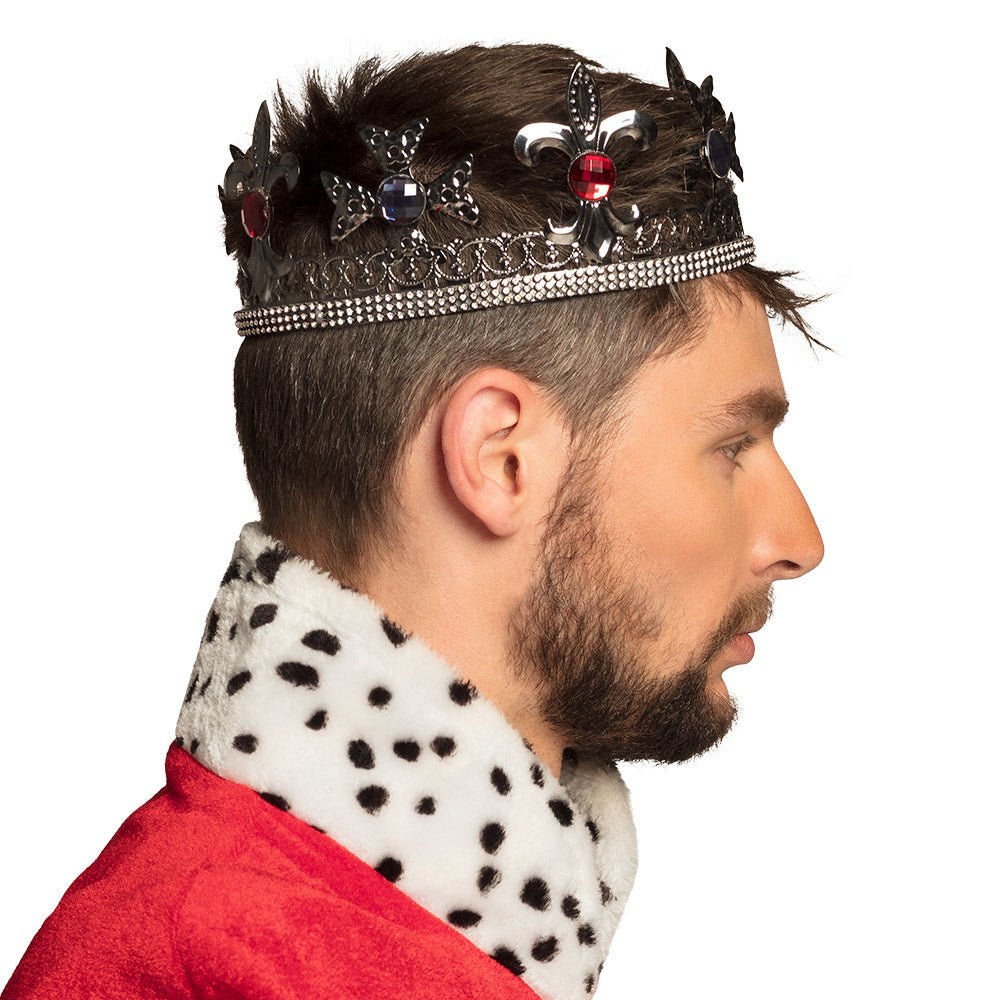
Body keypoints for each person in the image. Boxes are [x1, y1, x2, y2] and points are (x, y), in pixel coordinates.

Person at [2, 40, 827, 1000]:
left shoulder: (365, 934)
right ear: (500, 459)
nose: (799, 543)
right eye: (732, 447)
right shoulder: (209, 967)